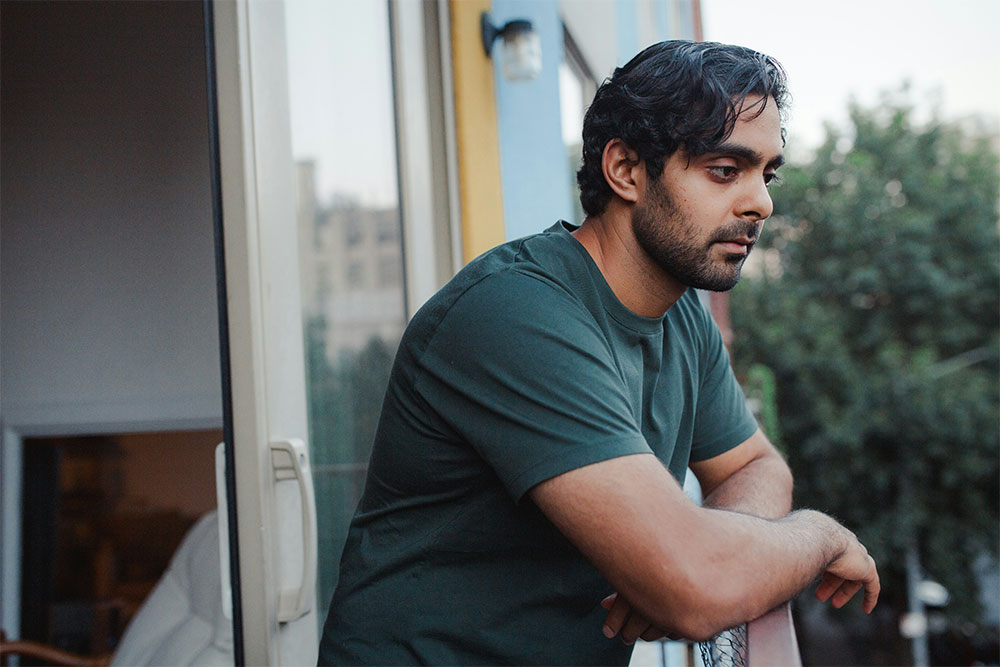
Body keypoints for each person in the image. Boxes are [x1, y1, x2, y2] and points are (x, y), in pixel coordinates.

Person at [318, 40, 879, 666]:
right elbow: (696, 588)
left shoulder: (681, 316)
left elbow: (753, 466)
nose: (761, 204)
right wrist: (816, 536)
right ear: (626, 170)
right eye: (726, 170)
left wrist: (698, 557)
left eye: (766, 175)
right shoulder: (516, 314)